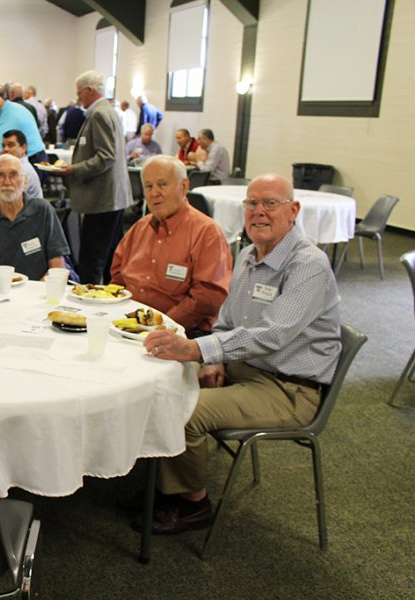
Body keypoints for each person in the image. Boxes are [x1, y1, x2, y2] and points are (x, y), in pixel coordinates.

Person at [138, 173, 341, 534]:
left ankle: (193, 504)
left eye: (270, 204)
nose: (258, 212)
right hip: (245, 369)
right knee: (158, 387)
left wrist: (198, 350)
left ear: (293, 210)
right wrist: (215, 358)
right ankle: (163, 485)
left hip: (288, 389)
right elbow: (227, 320)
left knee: (184, 412)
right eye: (252, 204)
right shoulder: (249, 254)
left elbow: (273, 335)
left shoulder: (307, 266)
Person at [109, 156, 232, 336]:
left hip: (181, 332)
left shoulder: (206, 232)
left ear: (184, 186)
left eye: (162, 184)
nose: (154, 193)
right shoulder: (139, 228)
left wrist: (162, 327)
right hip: (127, 327)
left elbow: (207, 297)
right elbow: (118, 279)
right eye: (148, 186)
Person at [57, 71, 132, 285]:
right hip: (112, 196)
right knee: (112, 256)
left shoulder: (99, 113)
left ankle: (87, 300)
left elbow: (106, 156)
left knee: (93, 258)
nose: (78, 97)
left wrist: (74, 169)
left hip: (102, 198)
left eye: (79, 93)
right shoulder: (109, 111)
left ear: (89, 90)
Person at [0, 154, 69, 281]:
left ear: (25, 182)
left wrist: (36, 291)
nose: (7, 182)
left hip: (38, 292)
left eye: (13, 175)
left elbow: (58, 265)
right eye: (0, 175)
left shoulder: (43, 210)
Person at [0, 129, 42, 201]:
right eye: (3, 146)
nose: (5, 149)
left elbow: (10, 200)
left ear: (23, 148)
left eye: (11, 145)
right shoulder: (15, 167)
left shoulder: (23, 170)